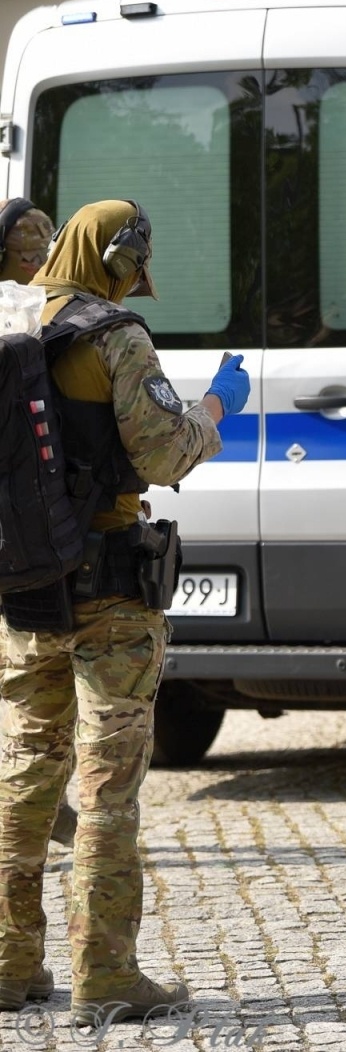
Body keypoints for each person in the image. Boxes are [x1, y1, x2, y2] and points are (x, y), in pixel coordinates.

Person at [0, 201, 250, 1021]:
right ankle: (105, 975)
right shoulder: (115, 336)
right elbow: (164, 452)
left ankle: (9, 966)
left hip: (25, 591)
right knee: (106, 793)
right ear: (121, 255)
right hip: (110, 596)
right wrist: (215, 409)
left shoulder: (13, 318)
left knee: (23, 781)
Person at [0, 199, 80, 850]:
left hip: (25, 532)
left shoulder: (45, 316)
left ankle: (44, 801)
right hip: (24, 537)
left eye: (44, 240)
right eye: (23, 241)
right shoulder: (27, 322)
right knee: (37, 683)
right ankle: (37, 804)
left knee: (35, 679)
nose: (37, 250)